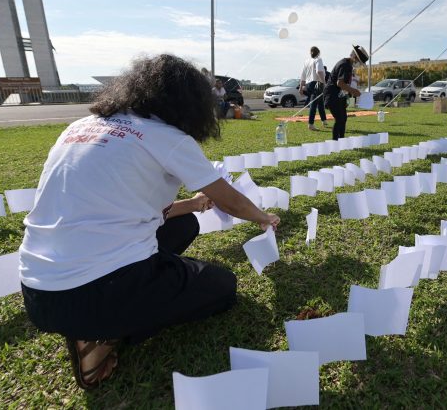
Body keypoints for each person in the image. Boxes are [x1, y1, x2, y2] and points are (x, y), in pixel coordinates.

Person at [18, 54, 280, 389]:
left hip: (38, 294)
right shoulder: (165, 136)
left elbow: (129, 209)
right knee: (224, 287)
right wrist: (263, 217)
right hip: (97, 294)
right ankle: (102, 334)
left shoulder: (81, 127)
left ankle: (121, 306)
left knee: (186, 225)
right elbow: (230, 198)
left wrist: (196, 203)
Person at [324, 45, 368, 140]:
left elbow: (344, 84)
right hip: (332, 95)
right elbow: (340, 83)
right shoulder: (345, 65)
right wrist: (353, 91)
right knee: (339, 119)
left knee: (343, 118)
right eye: (359, 62)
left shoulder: (348, 65)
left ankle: (342, 140)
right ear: (355, 58)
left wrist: (350, 93)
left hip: (340, 95)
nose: (359, 65)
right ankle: (335, 142)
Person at [299, 46, 327, 131]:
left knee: (320, 102)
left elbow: (302, 76)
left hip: (308, 85)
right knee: (314, 104)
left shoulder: (306, 61)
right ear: (318, 53)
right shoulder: (318, 59)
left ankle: (324, 120)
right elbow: (319, 71)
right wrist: (324, 82)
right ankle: (310, 124)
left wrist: (300, 88)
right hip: (316, 84)